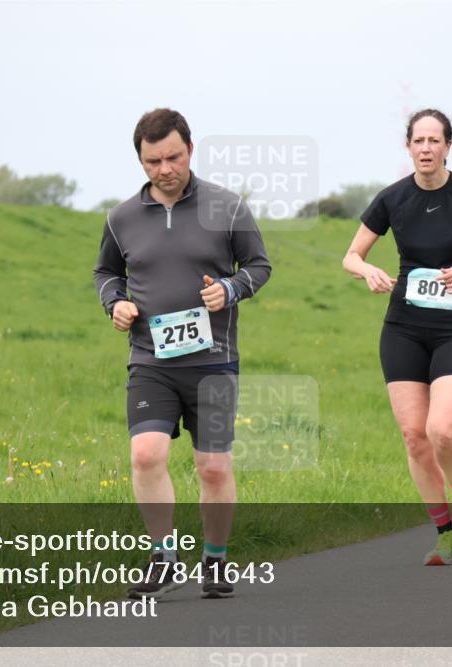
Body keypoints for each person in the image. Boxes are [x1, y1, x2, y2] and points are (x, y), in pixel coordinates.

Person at [93, 108, 271, 597]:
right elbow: (105, 273)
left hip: (214, 360)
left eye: (173, 157)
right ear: (141, 161)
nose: (164, 169)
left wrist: (231, 290)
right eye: (153, 161)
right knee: (146, 454)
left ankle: (214, 560)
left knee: (212, 466)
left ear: (190, 150)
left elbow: (258, 264)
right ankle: (164, 558)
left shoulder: (226, 207)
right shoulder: (122, 217)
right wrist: (116, 302)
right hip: (150, 361)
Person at [342, 109, 452, 565]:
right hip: (403, 327)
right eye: (418, 141)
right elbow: (352, 256)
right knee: (414, 437)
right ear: (408, 147)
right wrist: (368, 271)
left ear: (447, 147)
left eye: (434, 141)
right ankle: (442, 530)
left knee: (442, 430)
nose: (425, 149)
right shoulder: (392, 198)